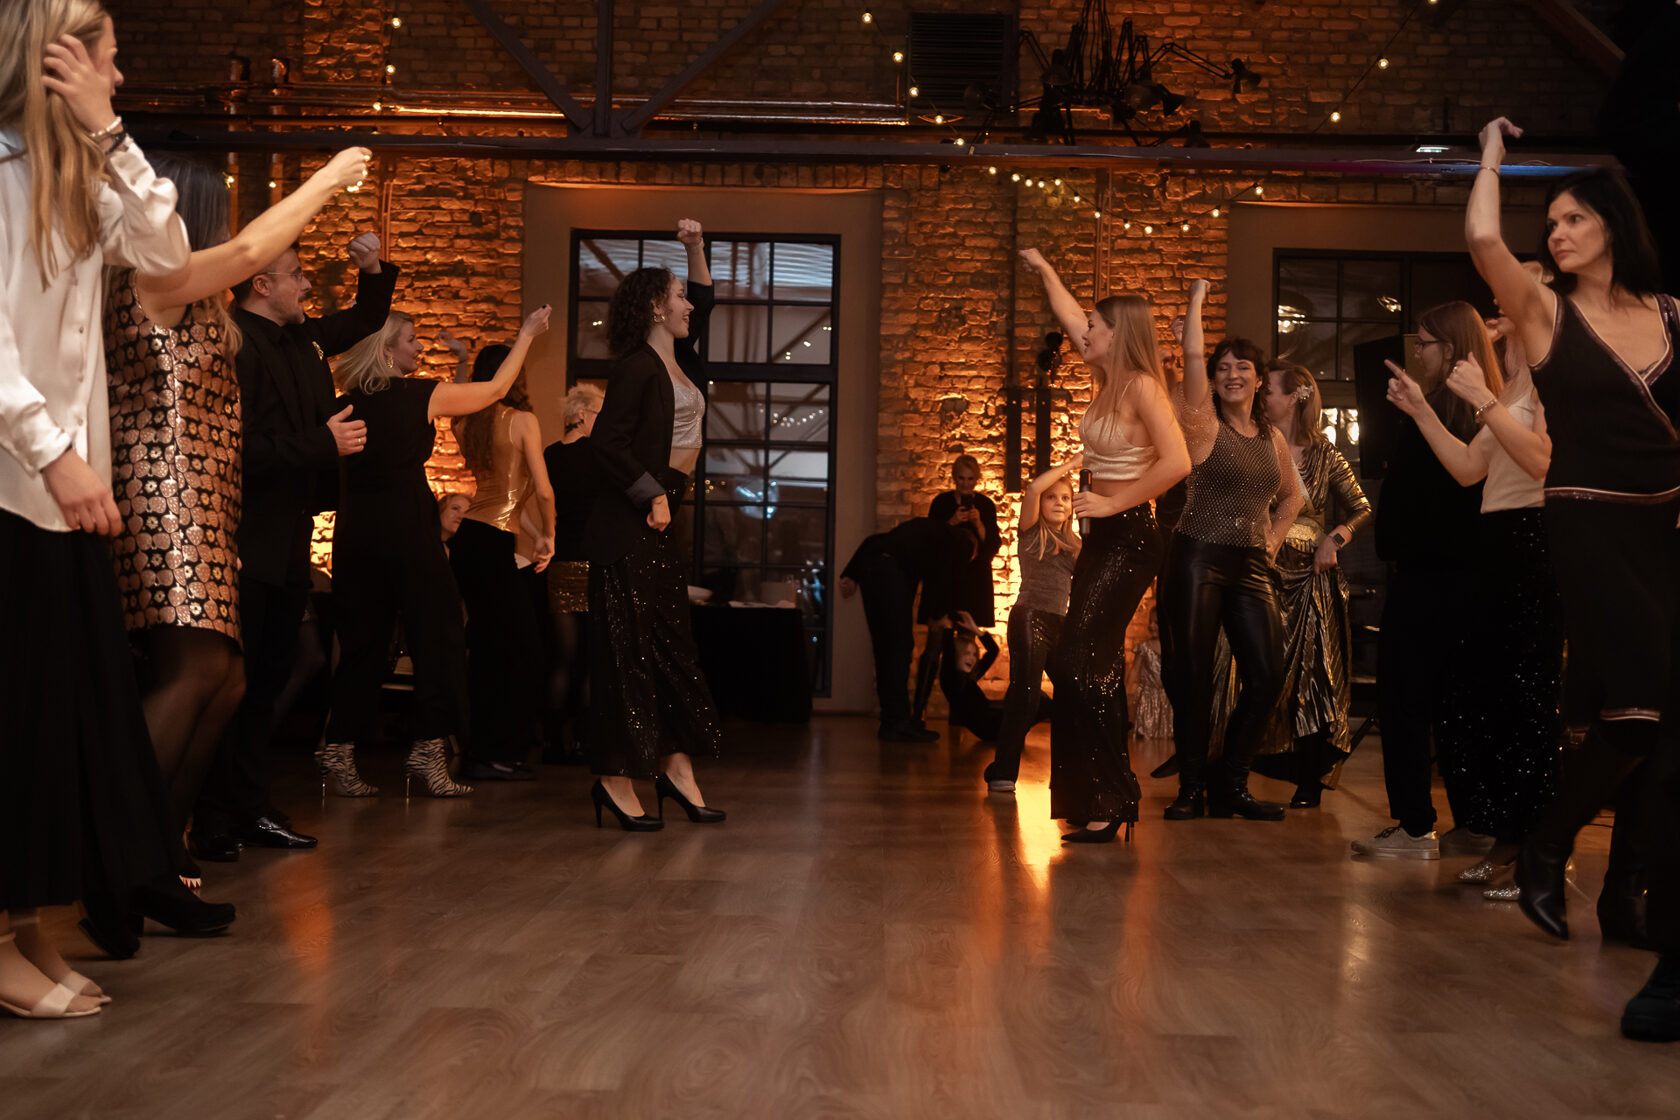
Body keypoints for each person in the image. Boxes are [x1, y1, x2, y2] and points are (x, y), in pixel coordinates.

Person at [1, 0, 198, 1017]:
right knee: (16, 726)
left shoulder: (78, 179)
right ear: (57, 60)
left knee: (55, 727)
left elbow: (167, 255)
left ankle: (26, 924)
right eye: (108, 62)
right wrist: (56, 455)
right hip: (17, 487)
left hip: (63, 499)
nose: (118, 78)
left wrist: (112, 136)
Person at [102, 147, 370, 892]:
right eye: (217, 219)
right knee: (195, 672)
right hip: (166, 490)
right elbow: (252, 254)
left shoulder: (200, 299)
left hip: (210, 501)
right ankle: (121, 858)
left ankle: (163, 853)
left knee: (225, 679)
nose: (229, 235)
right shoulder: (154, 277)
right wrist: (327, 180)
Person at [1467, 118, 1680, 1040]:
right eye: (1549, 221)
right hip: (1588, 519)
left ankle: (1587, 869)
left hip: (1666, 525)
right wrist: (1490, 157)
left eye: (1573, 219)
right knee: (1646, 703)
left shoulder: (1673, 316)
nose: (1556, 233)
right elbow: (1483, 238)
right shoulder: (1546, 313)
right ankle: (1555, 854)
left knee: (1649, 720)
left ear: (1613, 224)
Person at [191, 225, 398, 860]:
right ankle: (212, 817)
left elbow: (366, 318)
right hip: (242, 536)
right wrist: (321, 443)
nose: (308, 285)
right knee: (235, 683)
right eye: (299, 276)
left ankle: (248, 807)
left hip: (289, 535)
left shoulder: (302, 336)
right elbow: (230, 449)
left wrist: (373, 268)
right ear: (262, 284)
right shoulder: (231, 344)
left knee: (270, 676)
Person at [318, 305, 551, 798]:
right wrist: (527, 334)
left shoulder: (346, 403)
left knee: (362, 647)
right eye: (411, 339)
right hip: (406, 529)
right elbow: (495, 390)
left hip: (356, 532)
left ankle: (338, 753)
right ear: (386, 350)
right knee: (440, 639)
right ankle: (427, 752)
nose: (419, 346)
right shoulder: (418, 394)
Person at [1018, 249, 1192, 843]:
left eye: (1094, 325)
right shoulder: (1107, 380)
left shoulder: (1142, 386)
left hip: (1130, 536)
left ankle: (1111, 795)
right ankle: (1099, 797)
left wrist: (1114, 504)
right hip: (1101, 538)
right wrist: (1045, 269)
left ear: (1118, 335)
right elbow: (1070, 317)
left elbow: (1178, 462)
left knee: (1076, 659)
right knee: (1093, 663)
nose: (1083, 333)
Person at [1384, 304, 1560, 879]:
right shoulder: (1512, 388)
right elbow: (1466, 468)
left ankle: (1532, 849)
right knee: (1494, 699)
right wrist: (1419, 408)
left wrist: (1483, 399)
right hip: (1495, 542)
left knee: (1528, 699)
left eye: (1509, 309)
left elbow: (1539, 461)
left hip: (1530, 540)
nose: (1498, 317)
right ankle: (1507, 836)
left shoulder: (1547, 384)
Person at [586, 247, 726, 831]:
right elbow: (606, 443)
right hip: (630, 524)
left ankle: (676, 768)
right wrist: (652, 494)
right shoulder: (636, 367)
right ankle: (615, 778)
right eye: (678, 296)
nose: (688, 305)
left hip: (662, 516)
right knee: (628, 653)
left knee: (671, 649)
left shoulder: (680, 361)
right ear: (654, 307)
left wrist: (696, 247)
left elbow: (707, 300)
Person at [1351, 304, 1488, 860]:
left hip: (1429, 578)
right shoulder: (1472, 413)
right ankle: (1470, 820)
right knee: (1454, 704)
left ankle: (1415, 826)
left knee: (1406, 701)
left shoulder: (1443, 417)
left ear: (1449, 350)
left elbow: (1427, 496)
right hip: (1460, 578)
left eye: (1426, 343)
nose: (1420, 353)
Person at [1159, 310, 1305, 824]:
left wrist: (1271, 542)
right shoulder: (1203, 422)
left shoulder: (1273, 439)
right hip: (1196, 556)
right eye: (1222, 368)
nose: (1232, 375)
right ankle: (1191, 787)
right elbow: (1185, 385)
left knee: (1267, 675)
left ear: (1260, 379)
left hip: (1250, 564)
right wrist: (1189, 338)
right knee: (1192, 677)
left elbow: (1291, 498)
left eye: (1242, 367)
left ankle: (1231, 784)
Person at [1234, 361, 1372, 809]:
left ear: (1294, 397)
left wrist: (1334, 539)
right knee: (1255, 671)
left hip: (1312, 578)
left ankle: (1309, 776)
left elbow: (1362, 508)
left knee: (1313, 679)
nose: (1261, 397)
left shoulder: (1324, 454)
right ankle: (1233, 770)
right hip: (1261, 572)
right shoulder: (1253, 445)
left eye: (1269, 390)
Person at [449, 343, 555, 781]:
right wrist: (550, 534)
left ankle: (483, 752)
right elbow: (542, 490)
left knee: (489, 648)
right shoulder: (522, 420)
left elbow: (504, 502)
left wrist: (461, 363)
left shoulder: (466, 422)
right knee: (522, 650)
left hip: (470, 541)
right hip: (491, 543)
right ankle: (494, 751)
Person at [983, 457, 1081, 793]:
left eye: (1065, 498)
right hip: (1029, 618)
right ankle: (1003, 773)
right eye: (1052, 497)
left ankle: (1068, 777)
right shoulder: (1030, 531)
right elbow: (1034, 488)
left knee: (1071, 693)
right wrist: (1073, 463)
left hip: (1060, 624)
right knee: (1024, 694)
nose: (1059, 503)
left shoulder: (1076, 544)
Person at [841, 518, 979, 743]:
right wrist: (938, 615)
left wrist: (851, 573)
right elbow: (942, 579)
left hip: (870, 567)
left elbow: (876, 540)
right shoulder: (962, 542)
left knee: (884, 650)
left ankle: (890, 721)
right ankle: (898, 723)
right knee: (899, 649)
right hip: (890, 574)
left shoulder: (926, 532)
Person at [913, 454, 1001, 722]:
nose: (965, 484)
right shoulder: (941, 503)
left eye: (970, 479)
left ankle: (959, 711)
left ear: (977, 479)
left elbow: (991, 547)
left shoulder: (985, 505)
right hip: (943, 581)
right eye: (961, 478)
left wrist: (978, 524)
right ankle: (918, 711)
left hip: (972, 583)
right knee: (934, 644)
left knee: (965, 647)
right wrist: (951, 521)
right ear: (954, 478)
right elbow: (929, 541)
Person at [541, 381, 604, 761]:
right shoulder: (600, 454)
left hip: (561, 561)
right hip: (594, 562)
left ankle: (551, 741)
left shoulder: (550, 454)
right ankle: (584, 740)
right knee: (592, 659)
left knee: (562, 657)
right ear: (582, 414)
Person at [939, 612, 1004, 743]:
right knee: (1037, 701)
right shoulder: (950, 678)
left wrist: (975, 629)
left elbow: (993, 651)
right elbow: (948, 651)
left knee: (1034, 699)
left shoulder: (971, 677)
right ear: (955, 655)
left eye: (975, 654)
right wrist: (948, 628)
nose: (972, 658)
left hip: (997, 722)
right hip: (993, 729)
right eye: (966, 653)